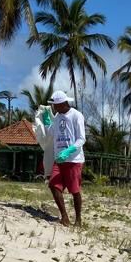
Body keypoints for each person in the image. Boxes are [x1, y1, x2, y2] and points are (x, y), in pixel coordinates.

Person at [43, 90, 86, 226]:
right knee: (53, 185)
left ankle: (78, 219)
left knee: (75, 190)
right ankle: (64, 216)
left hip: (74, 160)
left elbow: (81, 139)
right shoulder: (57, 117)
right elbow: (51, 132)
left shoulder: (76, 116)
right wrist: (46, 121)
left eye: (56, 105)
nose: (54, 108)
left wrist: (69, 151)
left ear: (64, 104)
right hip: (59, 160)